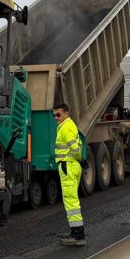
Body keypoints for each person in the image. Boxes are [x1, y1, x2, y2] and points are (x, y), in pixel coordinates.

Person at [53, 102, 85, 246]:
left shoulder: (65, 128)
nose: (56, 118)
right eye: (54, 115)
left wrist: (74, 159)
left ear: (66, 113)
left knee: (71, 200)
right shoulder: (69, 125)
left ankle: (78, 235)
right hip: (71, 165)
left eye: (58, 115)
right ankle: (75, 232)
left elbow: (76, 150)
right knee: (71, 199)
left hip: (68, 165)